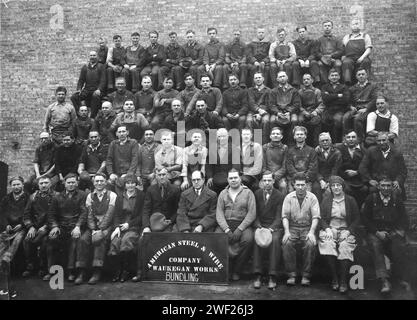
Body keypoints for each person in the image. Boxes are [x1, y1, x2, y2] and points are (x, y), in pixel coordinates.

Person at [361, 176, 411, 294]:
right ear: (378, 187)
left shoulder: (396, 200)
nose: (386, 188)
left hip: (392, 231)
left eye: (388, 185)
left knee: (399, 247)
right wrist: (376, 232)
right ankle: (384, 280)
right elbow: (365, 218)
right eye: (383, 185)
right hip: (376, 232)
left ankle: (401, 278)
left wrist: (400, 231)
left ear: (391, 187)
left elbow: (404, 218)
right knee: (375, 246)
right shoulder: (371, 198)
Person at [44, 173, 87, 284]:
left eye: (73, 182)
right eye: (69, 182)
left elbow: (83, 212)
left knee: (74, 241)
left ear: (77, 183)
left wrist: (78, 226)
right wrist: (54, 226)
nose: (71, 185)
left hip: (75, 226)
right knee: (51, 239)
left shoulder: (82, 195)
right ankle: (51, 271)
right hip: (61, 227)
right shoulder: (57, 197)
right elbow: (51, 214)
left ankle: (70, 271)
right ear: (64, 184)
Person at [216, 169, 256, 281]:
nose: (233, 180)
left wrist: (240, 228)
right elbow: (219, 213)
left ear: (240, 178)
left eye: (235, 177)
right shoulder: (223, 193)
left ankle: (237, 270)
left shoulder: (248, 193)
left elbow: (252, 214)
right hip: (226, 224)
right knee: (217, 239)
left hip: (242, 224)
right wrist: (226, 229)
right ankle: (225, 270)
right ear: (227, 180)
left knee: (248, 240)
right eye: (231, 178)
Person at [282, 172, 320, 286]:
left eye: (302, 185)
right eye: (298, 185)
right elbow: (285, 217)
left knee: (310, 243)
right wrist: (287, 232)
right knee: (287, 243)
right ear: (293, 185)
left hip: (307, 227)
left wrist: (312, 232)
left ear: (307, 185)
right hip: (293, 227)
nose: (300, 187)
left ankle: (306, 275)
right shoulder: (288, 197)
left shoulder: (312, 197)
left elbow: (316, 217)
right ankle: (291, 274)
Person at [109, 174, 144, 282]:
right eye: (128, 183)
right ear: (124, 185)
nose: (130, 185)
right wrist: (116, 228)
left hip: (133, 227)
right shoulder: (120, 197)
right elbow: (116, 215)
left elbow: (142, 215)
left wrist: (129, 224)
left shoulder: (141, 196)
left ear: (136, 184)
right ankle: (117, 270)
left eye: (132, 183)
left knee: (126, 241)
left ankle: (125, 271)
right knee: (115, 241)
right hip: (120, 227)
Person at [82, 173, 117, 284]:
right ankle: (81, 271)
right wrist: (93, 229)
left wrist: (100, 229)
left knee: (98, 240)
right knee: (83, 240)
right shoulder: (90, 196)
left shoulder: (112, 195)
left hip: (107, 227)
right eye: (97, 181)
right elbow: (89, 215)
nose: (99, 183)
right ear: (93, 182)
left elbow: (109, 214)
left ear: (105, 182)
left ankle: (97, 271)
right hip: (93, 227)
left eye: (101, 181)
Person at [252, 171, 284, 289]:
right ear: (261, 182)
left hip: (274, 227)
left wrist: (271, 229)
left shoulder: (279, 195)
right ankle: (257, 274)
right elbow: (254, 214)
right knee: (256, 238)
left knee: (275, 240)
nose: (266, 183)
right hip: (260, 225)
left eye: (269, 180)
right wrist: (259, 227)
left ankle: (272, 275)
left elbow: (279, 216)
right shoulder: (256, 194)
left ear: (273, 181)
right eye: (264, 180)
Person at [22, 176, 56, 278]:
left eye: (46, 183)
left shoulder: (56, 196)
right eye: (41, 183)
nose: (44, 185)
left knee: (46, 241)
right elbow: (26, 215)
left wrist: (46, 226)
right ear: (38, 185)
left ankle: (44, 268)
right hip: (35, 227)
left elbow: (56, 215)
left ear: (50, 184)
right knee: (27, 240)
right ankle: (31, 266)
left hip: (49, 227)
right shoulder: (33, 197)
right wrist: (31, 227)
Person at [359, 131, 407, 198]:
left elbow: (403, 170)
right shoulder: (371, 151)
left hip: (392, 183)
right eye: (379, 141)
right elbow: (362, 167)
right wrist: (369, 180)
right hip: (377, 184)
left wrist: (398, 181)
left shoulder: (397, 153)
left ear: (388, 140)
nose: (381, 143)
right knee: (372, 193)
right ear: (376, 141)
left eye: (383, 140)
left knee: (396, 193)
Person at [0, 177, 29, 272]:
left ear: (22, 185)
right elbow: (2, 213)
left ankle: (7, 258)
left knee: (18, 238)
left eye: (18, 184)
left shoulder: (28, 198)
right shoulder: (6, 198)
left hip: (22, 227)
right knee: (2, 238)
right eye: (14, 185)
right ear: (11, 186)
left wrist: (22, 224)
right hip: (9, 227)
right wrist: (6, 225)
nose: (16, 187)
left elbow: (29, 214)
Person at [343, 68, 378, 142]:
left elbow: (374, 99)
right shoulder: (352, 88)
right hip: (356, 108)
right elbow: (348, 100)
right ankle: (346, 139)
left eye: (363, 74)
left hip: (367, 109)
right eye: (359, 74)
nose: (361, 76)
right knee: (346, 117)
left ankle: (360, 140)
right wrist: (351, 106)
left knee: (357, 119)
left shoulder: (372, 86)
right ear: (356, 76)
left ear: (367, 75)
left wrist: (366, 108)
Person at [142, 166, 181, 233]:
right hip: (154, 223)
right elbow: (146, 209)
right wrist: (146, 226)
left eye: (163, 174)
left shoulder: (175, 190)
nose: (161, 177)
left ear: (167, 175)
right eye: (159, 175)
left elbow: (178, 208)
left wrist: (171, 220)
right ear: (156, 176)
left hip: (169, 223)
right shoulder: (150, 190)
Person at [336, 130, 368, 207]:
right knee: (347, 190)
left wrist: (357, 172)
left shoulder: (363, 150)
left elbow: (366, 166)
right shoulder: (339, 148)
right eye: (348, 137)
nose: (351, 139)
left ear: (357, 138)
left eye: (353, 137)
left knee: (364, 189)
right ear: (345, 139)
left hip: (359, 179)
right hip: (345, 178)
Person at [71, 51, 105, 118]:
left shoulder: (101, 66)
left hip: (96, 90)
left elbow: (103, 80)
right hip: (87, 90)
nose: (92, 57)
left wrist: (99, 89)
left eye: (94, 55)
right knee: (74, 97)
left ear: (97, 57)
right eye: (91, 55)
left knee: (95, 96)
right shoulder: (85, 67)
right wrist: (79, 89)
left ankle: (92, 117)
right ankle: (80, 115)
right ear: (89, 57)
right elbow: (81, 80)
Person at [286, 126, 319, 195]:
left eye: (301, 134)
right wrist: (296, 177)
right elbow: (289, 166)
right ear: (294, 136)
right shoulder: (290, 151)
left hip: (307, 179)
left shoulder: (311, 150)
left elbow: (313, 167)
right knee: (291, 194)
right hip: (293, 179)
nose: (299, 136)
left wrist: (305, 178)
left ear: (305, 136)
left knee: (308, 194)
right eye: (297, 134)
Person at [106, 125, 139, 194]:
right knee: (108, 184)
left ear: (127, 132)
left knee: (122, 182)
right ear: (116, 134)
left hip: (129, 172)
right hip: (116, 173)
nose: (121, 134)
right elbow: (109, 159)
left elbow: (135, 159)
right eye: (119, 132)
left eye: (123, 131)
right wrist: (111, 173)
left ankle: (122, 201)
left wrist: (128, 174)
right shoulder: (113, 144)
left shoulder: (133, 143)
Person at [206, 128, 241, 194]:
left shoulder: (234, 148)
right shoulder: (212, 147)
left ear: (228, 136)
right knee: (209, 186)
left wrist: (231, 177)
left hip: (229, 175)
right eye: (219, 136)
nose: (221, 138)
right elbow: (208, 164)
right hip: (216, 175)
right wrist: (209, 177)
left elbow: (236, 165)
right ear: (216, 138)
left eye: (224, 136)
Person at [269, 71, 301, 141]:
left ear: (287, 77)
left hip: (290, 112)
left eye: (283, 76)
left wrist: (289, 112)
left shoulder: (294, 90)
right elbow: (271, 105)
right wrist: (278, 113)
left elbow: (296, 104)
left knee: (294, 120)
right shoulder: (273, 91)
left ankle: (291, 142)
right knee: (272, 120)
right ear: (277, 79)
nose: (282, 78)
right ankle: (275, 141)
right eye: (280, 77)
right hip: (278, 111)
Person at [321, 69, 351, 143]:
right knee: (323, 122)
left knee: (337, 121)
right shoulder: (325, 87)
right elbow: (325, 99)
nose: (334, 77)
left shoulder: (344, 87)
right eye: (332, 75)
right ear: (328, 77)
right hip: (328, 110)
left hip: (340, 110)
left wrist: (330, 96)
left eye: (336, 75)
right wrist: (338, 95)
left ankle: (337, 143)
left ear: (339, 77)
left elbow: (345, 100)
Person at [342, 19, 373, 85]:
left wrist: (362, 57)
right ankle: (347, 83)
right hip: (350, 57)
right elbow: (343, 50)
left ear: (360, 25)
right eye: (353, 24)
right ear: (350, 26)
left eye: (357, 24)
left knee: (366, 61)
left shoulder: (365, 36)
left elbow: (369, 49)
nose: (355, 26)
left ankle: (366, 82)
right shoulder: (346, 37)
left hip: (362, 56)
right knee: (346, 62)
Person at [297, 73, 324, 146]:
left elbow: (321, 104)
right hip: (304, 112)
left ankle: (316, 145)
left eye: (308, 79)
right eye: (304, 79)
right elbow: (298, 105)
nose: (306, 81)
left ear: (312, 80)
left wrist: (316, 111)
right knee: (300, 120)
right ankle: (302, 144)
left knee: (317, 121)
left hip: (314, 112)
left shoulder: (317, 91)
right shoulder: (300, 92)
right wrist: (304, 112)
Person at [315, 132, 342, 202]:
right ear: (319, 142)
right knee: (316, 188)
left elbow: (335, 169)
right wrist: (321, 180)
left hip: (332, 177)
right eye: (322, 141)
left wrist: (328, 182)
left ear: (330, 141)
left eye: (327, 140)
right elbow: (315, 168)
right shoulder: (315, 153)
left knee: (330, 190)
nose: (325, 142)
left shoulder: (337, 153)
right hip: (319, 178)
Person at [315, 20, 344, 84]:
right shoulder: (319, 40)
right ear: (323, 27)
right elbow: (316, 52)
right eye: (325, 26)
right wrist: (322, 58)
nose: (327, 27)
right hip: (323, 58)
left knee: (338, 64)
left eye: (329, 26)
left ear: (332, 27)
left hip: (335, 58)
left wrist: (332, 56)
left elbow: (340, 50)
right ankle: (325, 84)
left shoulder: (337, 39)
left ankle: (337, 83)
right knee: (320, 64)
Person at [247, 72, 271, 143]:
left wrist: (260, 113)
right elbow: (251, 103)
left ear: (263, 79)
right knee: (249, 121)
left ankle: (264, 143)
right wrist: (258, 110)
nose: (258, 79)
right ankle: (251, 143)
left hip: (265, 112)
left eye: (259, 77)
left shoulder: (268, 90)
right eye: (256, 78)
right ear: (254, 80)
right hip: (252, 111)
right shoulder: (250, 90)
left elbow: (268, 104)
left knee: (265, 121)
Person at [262, 127, 288, 195]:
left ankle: (281, 204)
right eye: (273, 134)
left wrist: (275, 176)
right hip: (267, 175)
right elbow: (263, 164)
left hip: (280, 176)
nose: (275, 135)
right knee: (261, 186)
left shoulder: (284, 148)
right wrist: (268, 175)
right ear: (270, 136)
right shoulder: (265, 147)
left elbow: (285, 165)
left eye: (277, 134)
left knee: (283, 186)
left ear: (281, 136)